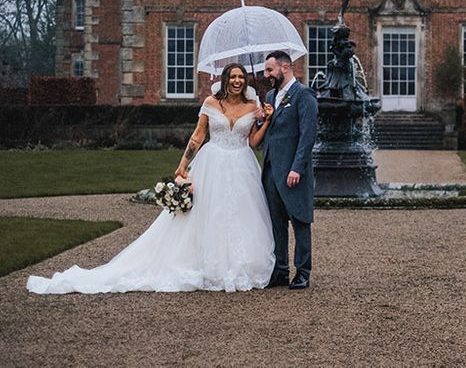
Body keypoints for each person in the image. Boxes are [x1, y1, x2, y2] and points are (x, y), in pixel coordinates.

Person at [27, 63, 276, 294]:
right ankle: (209, 265)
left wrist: (266, 120)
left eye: (241, 77)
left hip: (241, 165)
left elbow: (253, 142)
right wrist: (182, 166)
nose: (237, 80)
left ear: (245, 81)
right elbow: (198, 136)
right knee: (209, 213)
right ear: (225, 80)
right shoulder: (212, 102)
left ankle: (236, 266)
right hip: (212, 164)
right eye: (232, 76)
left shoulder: (252, 107)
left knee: (239, 215)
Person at [262, 50, 318, 290]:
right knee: (276, 222)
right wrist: (261, 119)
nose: (267, 75)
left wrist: (297, 168)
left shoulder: (304, 95)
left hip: (294, 172)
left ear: (285, 68)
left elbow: (308, 136)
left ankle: (303, 272)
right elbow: (270, 132)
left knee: (300, 220)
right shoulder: (270, 95)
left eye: (270, 70)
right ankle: (280, 271)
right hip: (271, 170)